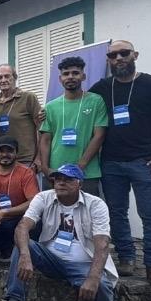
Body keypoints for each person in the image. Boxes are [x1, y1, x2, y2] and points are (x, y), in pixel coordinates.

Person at [0, 164, 124, 301]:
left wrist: (93, 277)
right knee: (24, 244)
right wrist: (25, 256)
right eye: (58, 179)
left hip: (83, 264)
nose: (61, 183)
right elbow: (23, 227)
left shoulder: (96, 204)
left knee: (102, 286)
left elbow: (102, 243)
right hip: (51, 258)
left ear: (80, 183)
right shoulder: (44, 197)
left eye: (68, 179)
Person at [89, 40, 151, 284]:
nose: (118, 58)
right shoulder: (102, 87)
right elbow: (80, 104)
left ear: (135, 55)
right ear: (108, 60)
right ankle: (126, 258)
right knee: (116, 213)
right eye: (113, 55)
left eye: (124, 53)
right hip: (111, 162)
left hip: (146, 162)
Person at [39, 56, 107, 196]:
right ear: (60, 79)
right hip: (55, 173)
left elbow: (99, 135)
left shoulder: (96, 101)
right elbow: (45, 139)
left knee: (87, 215)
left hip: (86, 173)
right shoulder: (51, 106)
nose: (70, 77)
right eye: (66, 74)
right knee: (54, 216)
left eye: (75, 73)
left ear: (83, 76)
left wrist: (80, 165)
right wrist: (46, 168)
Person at [0, 64, 42, 170]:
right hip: (3, 160)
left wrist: (38, 159)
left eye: (7, 76)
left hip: (26, 160)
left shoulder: (28, 98)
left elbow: (41, 129)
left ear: (14, 78)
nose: (3, 80)